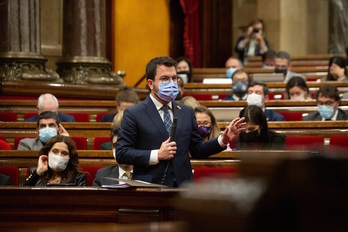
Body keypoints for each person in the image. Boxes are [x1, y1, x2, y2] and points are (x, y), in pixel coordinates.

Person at [115, 56, 245, 187]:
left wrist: (223, 140)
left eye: (174, 78)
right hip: (149, 188)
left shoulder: (186, 111)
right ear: (150, 84)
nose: (171, 83)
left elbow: (196, 149)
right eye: (165, 79)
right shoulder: (134, 113)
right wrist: (157, 155)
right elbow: (122, 153)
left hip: (183, 188)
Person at [22, 135, 86, 186]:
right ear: (48, 153)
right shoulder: (35, 173)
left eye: (64, 153)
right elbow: (21, 195)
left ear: (70, 157)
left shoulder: (78, 178)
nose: (59, 156)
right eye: (55, 151)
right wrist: (38, 173)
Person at [93, 111, 133, 186]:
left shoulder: (148, 175)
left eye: (125, 145)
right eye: (116, 146)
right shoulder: (102, 176)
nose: (120, 150)